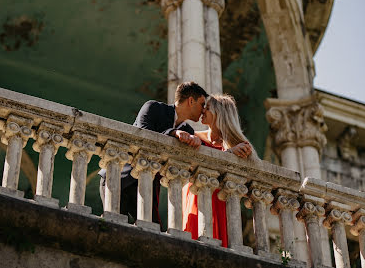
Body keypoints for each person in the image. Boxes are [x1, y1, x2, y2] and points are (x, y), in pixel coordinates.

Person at [99, 82, 208, 223]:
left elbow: (206, 150)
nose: (203, 110)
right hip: (119, 179)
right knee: (114, 229)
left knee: (153, 233)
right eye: (202, 104)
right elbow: (144, 137)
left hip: (147, 188)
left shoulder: (188, 131)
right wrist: (173, 133)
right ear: (191, 101)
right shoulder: (153, 108)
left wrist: (230, 149)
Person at [182, 94, 257, 247]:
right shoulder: (195, 137)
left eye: (208, 108)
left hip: (221, 199)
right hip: (196, 193)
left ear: (219, 114)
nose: (203, 111)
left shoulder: (239, 144)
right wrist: (229, 154)